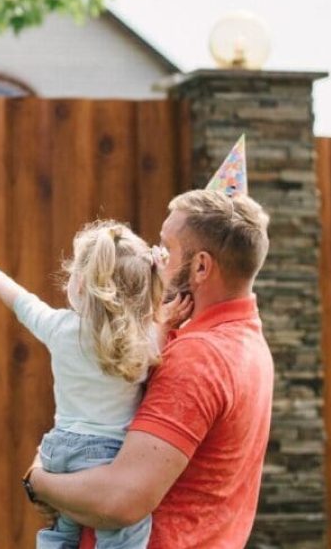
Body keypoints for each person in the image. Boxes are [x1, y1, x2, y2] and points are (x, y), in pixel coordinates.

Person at [24, 189, 274, 549]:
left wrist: (37, 481)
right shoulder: (246, 339)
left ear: (202, 267)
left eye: (165, 248)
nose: (152, 258)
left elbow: (120, 501)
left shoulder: (198, 358)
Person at [0, 219, 192, 549]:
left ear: (79, 286)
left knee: (59, 534)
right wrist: (164, 304)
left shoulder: (59, 327)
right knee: (124, 534)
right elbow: (155, 334)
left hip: (56, 451)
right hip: (103, 458)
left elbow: (24, 303)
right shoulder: (138, 343)